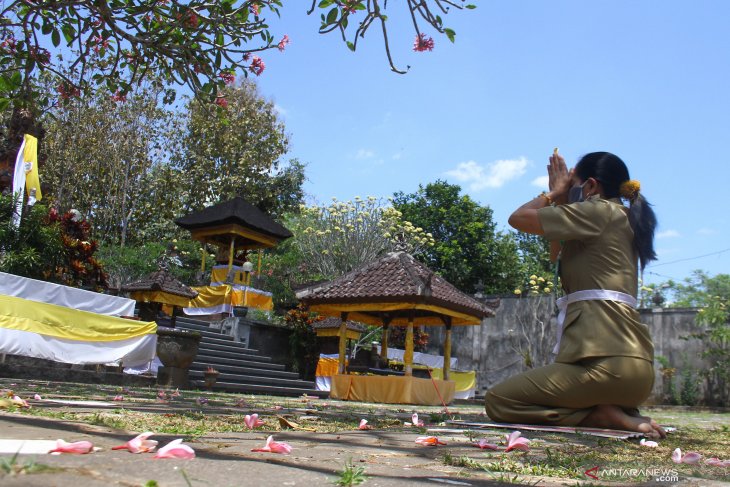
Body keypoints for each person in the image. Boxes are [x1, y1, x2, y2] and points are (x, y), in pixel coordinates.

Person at [484, 150, 665, 438]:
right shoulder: (625, 219)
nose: (570, 191)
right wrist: (563, 199)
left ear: (591, 187)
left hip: (605, 369)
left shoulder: (599, 210)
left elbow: (518, 218)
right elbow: (556, 253)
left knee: (500, 400)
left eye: (574, 185)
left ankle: (597, 415)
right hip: (637, 376)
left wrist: (554, 192)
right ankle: (614, 411)